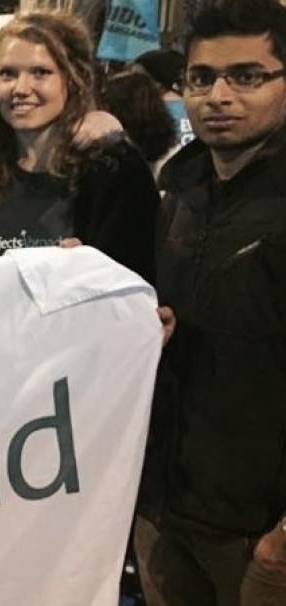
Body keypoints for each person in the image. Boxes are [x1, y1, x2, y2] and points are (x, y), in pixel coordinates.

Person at [136, 1, 286, 605]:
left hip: (257, 532)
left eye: (246, 76)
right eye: (202, 78)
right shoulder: (178, 187)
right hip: (165, 510)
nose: (219, 95)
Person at [0, 11, 157, 282]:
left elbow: (138, 282)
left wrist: (92, 273)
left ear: (72, 79)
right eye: (7, 74)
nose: (20, 88)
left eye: (40, 73)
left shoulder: (113, 170)